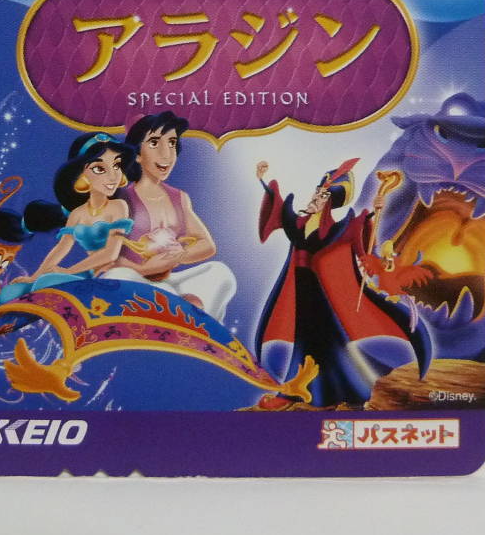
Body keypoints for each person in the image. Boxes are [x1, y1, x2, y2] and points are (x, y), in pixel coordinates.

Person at [254, 159, 431, 408]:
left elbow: (359, 238)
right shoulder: (299, 223)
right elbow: (279, 208)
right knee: (304, 338)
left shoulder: (340, 227)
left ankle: (311, 390)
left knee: (322, 340)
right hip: (299, 290)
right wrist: (263, 180)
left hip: (320, 294)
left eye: (322, 195)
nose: (315, 197)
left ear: (329, 201)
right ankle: (302, 387)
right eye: (317, 192)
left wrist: (374, 210)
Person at [101, 111, 237, 321]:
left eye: (172, 143)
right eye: (154, 143)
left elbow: (207, 245)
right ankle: (183, 315)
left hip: (168, 281)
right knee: (118, 276)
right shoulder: (121, 200)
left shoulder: (179, 198)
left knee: (220, 273)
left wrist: (179, 255)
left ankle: (197, 325)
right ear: (137, 154)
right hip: (135, 280)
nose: (166, 153)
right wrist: (142, 268)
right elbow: (106, 256)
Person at [0, 132, 135, 305]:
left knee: (47, 283)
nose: (113, 176)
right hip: (87, 272)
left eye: (116, 165)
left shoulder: (118, 206)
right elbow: (62, 248)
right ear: (81, 174)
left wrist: (68, 271)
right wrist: (34, 276)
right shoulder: (77, 214)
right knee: (10, 293)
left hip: (114, 273)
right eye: (100, 169)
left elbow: (110, 254)